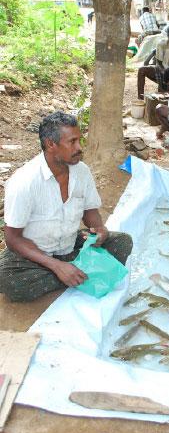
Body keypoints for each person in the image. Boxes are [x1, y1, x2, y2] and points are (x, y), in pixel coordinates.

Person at [0, 113, 133, 303]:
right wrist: (56, 266)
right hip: (36, 257)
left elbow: (90, 213)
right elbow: (13, 238)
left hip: (70, 246)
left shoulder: (82, 172)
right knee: (8, 280)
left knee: (123, 242)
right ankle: (77, 273)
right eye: (72, 142)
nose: (79, 148)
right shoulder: (24, 182)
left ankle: (73, 272)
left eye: (79, 140)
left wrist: (100, 230)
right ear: (50, 144)